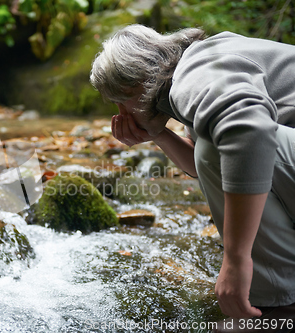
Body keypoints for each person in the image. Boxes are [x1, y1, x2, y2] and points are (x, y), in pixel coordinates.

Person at [90, 24, 295, 328]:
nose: (122, 111)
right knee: (215, 149)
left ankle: (279, 305)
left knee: (216, 147)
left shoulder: (196, 71)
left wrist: (236, 260)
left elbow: (249, 133)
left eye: (120, 100)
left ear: (136, 83)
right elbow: (214, 170)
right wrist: (160, 136)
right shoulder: (198, 68)